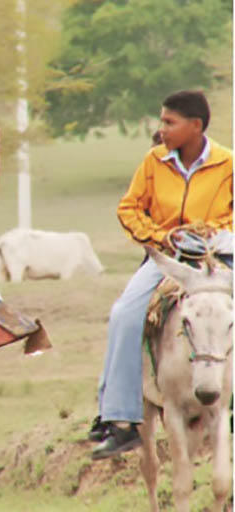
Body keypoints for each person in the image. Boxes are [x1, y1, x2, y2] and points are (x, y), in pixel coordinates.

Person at [91, 90, 233, 459]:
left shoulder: (227, 164)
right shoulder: (154, 161)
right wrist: (162, 236)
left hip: (219, 256)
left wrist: (212, 230)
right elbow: (129, 209)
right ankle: (120, 419)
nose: (162, 129)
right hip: (167, 257)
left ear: (195, 126)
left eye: (169, 122)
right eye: (162, 121)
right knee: (124, 314)